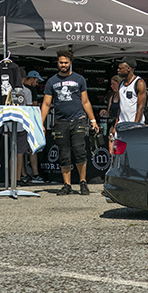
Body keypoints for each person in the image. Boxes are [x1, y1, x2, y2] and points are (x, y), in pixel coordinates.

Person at [40, 49, 99, 195]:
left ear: (70, 63)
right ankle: (67, 185)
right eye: (61, 62)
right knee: (64, 154)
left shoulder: (79, 79)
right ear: (57, 63)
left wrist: (93, 120)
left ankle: (83, 183)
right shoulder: (52, 81)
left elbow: (85, 101)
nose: (63, 65)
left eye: (66, 62)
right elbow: (46, 104)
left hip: (78, 120)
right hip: (60, 122)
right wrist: (40, 123)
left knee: (80, 152)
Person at [114, 57, 147, 133]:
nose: (118, 70)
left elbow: (140, 108)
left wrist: (135, 126)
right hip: (122, 124)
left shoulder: (139, 83)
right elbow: (120, 107)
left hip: (134, 125)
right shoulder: (121, 84)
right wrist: (116, 124)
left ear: (128, 68)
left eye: (120, 68)